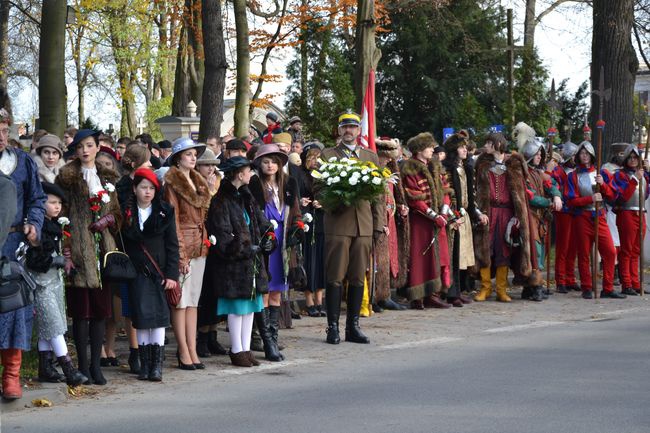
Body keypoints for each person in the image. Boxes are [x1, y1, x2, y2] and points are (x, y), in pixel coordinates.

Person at [56, 128, 122, 385]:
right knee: (81, 313)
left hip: (102, 252)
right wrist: (68, 248)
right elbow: (61, 214)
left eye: (89, 145)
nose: (84, 150)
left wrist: (108, 219)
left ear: (97, 147)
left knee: (100, 312)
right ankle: (82, 365)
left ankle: (96, 365)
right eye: (80, 146)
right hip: (80, 251)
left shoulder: (107, 177)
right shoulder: (68, 178)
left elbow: (117, 213)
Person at [204, 156, 278, 366]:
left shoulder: (247, 197)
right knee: (237, 309)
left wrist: (268, 238)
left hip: (251, 263)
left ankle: (246, 349)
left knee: (250, 308)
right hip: (233, 266)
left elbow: (263, 223)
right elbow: (222, 235)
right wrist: (245, 248)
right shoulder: (221, 200)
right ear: (239, 174)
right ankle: (236, 350)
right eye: (248, 171)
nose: (252, 174)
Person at [320, 111, 385, 344]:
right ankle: (332, 327)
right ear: (339, 130)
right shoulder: (328, 155)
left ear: (359, 130)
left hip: (364, 225)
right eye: (345, 127)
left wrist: (379, 225)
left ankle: (353, 326)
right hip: (338, 223)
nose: (349, 131)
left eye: (353, 127)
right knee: (335, 277)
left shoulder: (370, 156)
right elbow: (320, 189)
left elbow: (379, 195)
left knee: (358, 277)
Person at [0, 107, 46, 400]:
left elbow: (37, 199)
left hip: (13, 247)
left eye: (4, 130)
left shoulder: (22, 162)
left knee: (12, 309)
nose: (1, 137)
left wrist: (33, 225)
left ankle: (11, 376)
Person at [25, 182, 87, 386]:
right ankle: (69, 369)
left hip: (54, 283)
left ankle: (46, 367)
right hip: (40, 283)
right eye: (52, 202)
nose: (57, 206)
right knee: (54, 326)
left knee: (48, 326)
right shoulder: (37, 227)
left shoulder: (54, 226)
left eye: (59, 202)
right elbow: (32, 260)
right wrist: (53, 261)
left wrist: (64, 262)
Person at [122, 168, 180, 381]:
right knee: (141, 317)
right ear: (135, 189)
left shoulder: (165, 211)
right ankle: (145, 364)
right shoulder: (126, 212)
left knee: (158, 319)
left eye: (151, 188)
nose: (147, 192)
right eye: (143, 187)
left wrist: (172, 275)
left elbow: (173, 246)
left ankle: (157, 365)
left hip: (159, 273)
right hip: (136, 272)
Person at [164, 138, 211, 369]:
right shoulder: (172, 183)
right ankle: (182, 350)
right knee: (180, 302)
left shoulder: (198, 181)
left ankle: (192, 348)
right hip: (183, 245)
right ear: (178, 157)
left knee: (193, 302)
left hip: (200, 245)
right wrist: (180, 256)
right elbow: (173, 223)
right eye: (188, 154)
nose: (194, 158)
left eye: (195, 154)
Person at [251, 144, 302, 357]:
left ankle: (273, 337)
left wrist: (298, 227)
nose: (270, 165)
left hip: (282, 242)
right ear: (260, 165)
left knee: (276, 294)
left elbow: (296, 211)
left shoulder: (288, 184)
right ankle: (266, 342)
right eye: (265, 161)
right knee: (263, 291)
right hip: (265, 241)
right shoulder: (255, 185)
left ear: (280, 164)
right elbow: (253, 214)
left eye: (274, 161)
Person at [473, 132, 531, 303]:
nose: (486, 146)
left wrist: (517, 215)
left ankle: (501, 289)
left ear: (498, 144)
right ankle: (485, 288)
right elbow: (477, 190)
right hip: (488, 212)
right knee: (485, 249)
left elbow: (519, 193)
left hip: (507, 213)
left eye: (489, 143)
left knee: (504, 250)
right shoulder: (482, 164)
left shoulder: (514, 164)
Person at [564, 141, 625, 299]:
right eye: (581, 153)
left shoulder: (602, 174)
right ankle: (586, 287)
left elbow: (613, 195)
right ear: (578, 156)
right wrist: (589, 198)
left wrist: (603, 185)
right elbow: (570, 201)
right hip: (582, 218)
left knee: (610, 252)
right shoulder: (573, 176)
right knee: (584, 254)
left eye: (587, 153)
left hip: (599, 216)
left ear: (592, 155)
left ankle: (608, 288)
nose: (584, 156)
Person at [113, 144, 153, 373]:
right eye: (147, 163)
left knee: (145, 299)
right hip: (129, 249)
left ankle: (147, 348)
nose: (150, 167)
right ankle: (135, 350)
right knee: (130, 302)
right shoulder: (123, 187)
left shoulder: (149, 186)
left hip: (147, 248)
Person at [400, 132, 449, 310]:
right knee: (420, 258)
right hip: (420, 221)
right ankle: (418, 296)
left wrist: (443, 213)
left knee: (438, 257)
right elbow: (414, 198)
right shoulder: (410, 169)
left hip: (438, 219)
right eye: (429, 147)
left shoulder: (435, 167)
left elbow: (445, 191)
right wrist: (433, 215)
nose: (432, 150)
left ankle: (433, 294)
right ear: (420, 150)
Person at [519, 138, 562, 301]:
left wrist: (557, 196)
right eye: (536, 154)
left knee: (540, 251)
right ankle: (534, 286)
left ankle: (532, 287)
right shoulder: (523, 174)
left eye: (540, 154)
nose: (539, 157)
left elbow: (552, 185)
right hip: (529, 216)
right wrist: (549, 202)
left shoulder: (539, 173)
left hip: (540, 218)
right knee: (534, 252)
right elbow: (531, 198)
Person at [372, 138, 409, 311]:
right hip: (377, 221)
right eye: (385, 157)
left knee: (387, 258)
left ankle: (384, 294)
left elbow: (392, 195)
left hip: (390, 219)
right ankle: (373, 296)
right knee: (375, 261)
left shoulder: (388, 172)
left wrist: (400, 205)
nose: (388, 160)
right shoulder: (372, 172)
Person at [442, 131, 477, 306]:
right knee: (452, 254)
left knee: (461, 255)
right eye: (462, 147)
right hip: (453, 217)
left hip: (463, 215)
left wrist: (473, 211)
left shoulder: (464, 167)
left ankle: (458, 290)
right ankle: (450, 292)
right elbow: (447, 194)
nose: (466, 150)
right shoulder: (448, 169)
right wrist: (452, 215)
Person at [613, 144, 650, 295]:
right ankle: (626, 284)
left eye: (636, 157)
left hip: (640, 213)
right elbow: (622, 197)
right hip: (626, 213)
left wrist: (648, 171)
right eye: (631, 157)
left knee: (636, 251)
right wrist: (635, 179)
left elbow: (645, 194)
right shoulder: (620, 175)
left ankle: (636, 283)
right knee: (627, 250)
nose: (633, 160)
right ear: (626, 159)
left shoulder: (642, 174)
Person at [295, 141, 327, 316]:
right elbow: (295, 197)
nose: (315, 160)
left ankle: (320, 300)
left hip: (321, 221)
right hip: (307, 221)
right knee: (309, 261)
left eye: (318, 157)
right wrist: (302, 202)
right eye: (312, 157)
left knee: (321, 262)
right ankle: (309, 301)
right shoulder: (300, 175)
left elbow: (330, 197)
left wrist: (323, 202)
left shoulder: (324, 176)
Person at [551, 141, 580, 293]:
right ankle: (560, 280)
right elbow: (553, 185)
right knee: (563, 247)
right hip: (564, 212)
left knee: (573, 248)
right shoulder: (558, 171)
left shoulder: (578, 171)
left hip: (577, 211)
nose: (576, 158)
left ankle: (570, 278)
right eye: (574, 155)